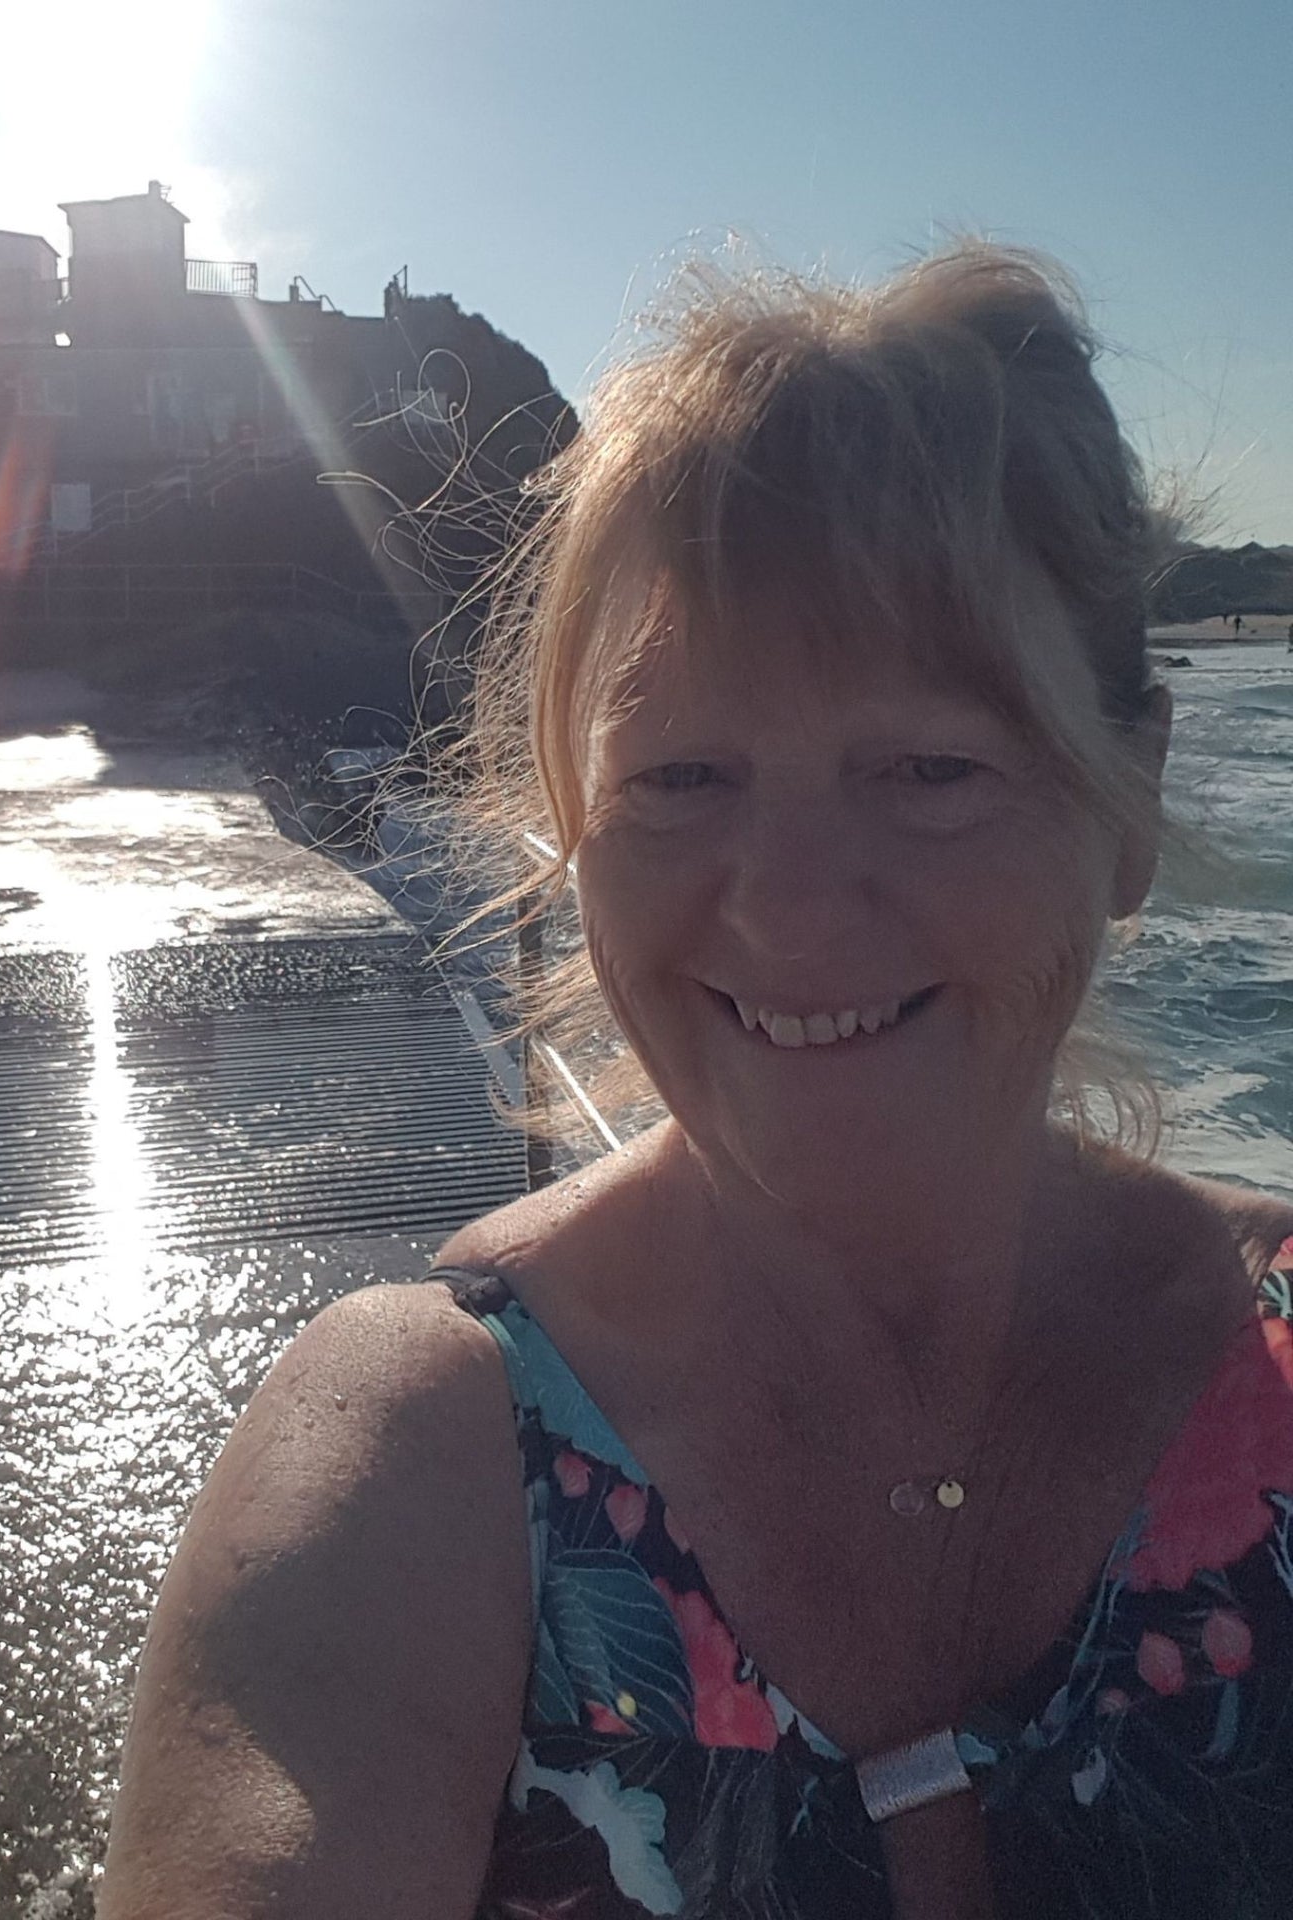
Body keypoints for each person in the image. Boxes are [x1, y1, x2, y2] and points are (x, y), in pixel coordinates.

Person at [99, 245, 1293, 1918]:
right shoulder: (419, 1468)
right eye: (680, 776)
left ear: (1132, 803)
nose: (789, 909)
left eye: (930, 769)